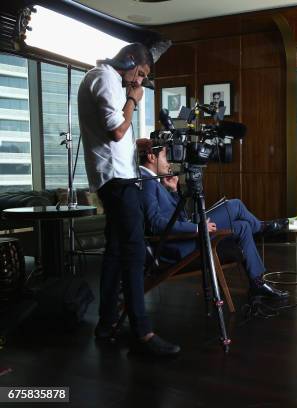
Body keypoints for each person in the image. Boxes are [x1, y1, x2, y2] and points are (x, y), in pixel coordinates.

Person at [78, 43, 180, 356]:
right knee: (135, 252)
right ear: (130, 62)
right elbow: (116, 132)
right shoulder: (105, 78)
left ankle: (106, 325)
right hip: (117, 182)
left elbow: (117, 135)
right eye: (141, 74)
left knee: (116, 252)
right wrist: (133, 101)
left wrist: (139, 143)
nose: (139, 82)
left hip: (118, 177)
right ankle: (143, 332)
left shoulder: (104, 79)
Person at [136, 139, 289, 298]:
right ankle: (262, 228)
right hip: (179, 245)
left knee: (243, 226)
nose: (168, 163)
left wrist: (174, 191)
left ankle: (257, 282)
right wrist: (196, 228)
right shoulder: (147, 182)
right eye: (165, 157)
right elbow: (155, 223)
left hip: (184, 237)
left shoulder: (152, 181)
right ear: (151, 157)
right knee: (235, 205)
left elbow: (178, 217)